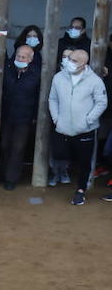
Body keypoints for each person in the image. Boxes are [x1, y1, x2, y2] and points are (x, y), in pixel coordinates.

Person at [48, 49, 106, 205]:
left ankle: (81, 190)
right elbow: (52, 98)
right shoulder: (59, 77)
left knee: (85, 161)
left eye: (74, 60)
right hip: (62, 127)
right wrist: (56, 118)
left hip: (85, 129)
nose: (69, 62)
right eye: (69, 59)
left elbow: (101, 102)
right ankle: (58, 173)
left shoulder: (94, 80)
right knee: (59, 153)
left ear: (83, 63)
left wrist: (89, 120)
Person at [0, 43, 40, 190]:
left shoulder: (36, 74)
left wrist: (34, 116)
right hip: (6, 115)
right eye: (18, 55)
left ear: (30, 59)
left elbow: (39, 97)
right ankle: (2, 174)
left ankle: (11, 179)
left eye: (23, 56)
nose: (20, 58)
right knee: (4, 145)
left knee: (18, 148)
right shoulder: (7, 70)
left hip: (24, 117)